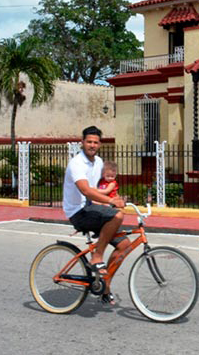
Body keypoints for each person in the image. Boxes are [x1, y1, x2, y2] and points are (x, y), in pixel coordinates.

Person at [63, 126, 127, 304]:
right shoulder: (76, 163)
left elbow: (102, 184)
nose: (92, 145)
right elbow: (85, 190)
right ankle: (97, 257)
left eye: (95, 142)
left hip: (92, 208)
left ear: (100, 144)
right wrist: (110, 203)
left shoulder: (98, 162)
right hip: (78, 211)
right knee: (116, 216)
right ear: (82, 142)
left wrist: (115, 196)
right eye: (89, 141)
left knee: (124, 245)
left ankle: (105, 287)